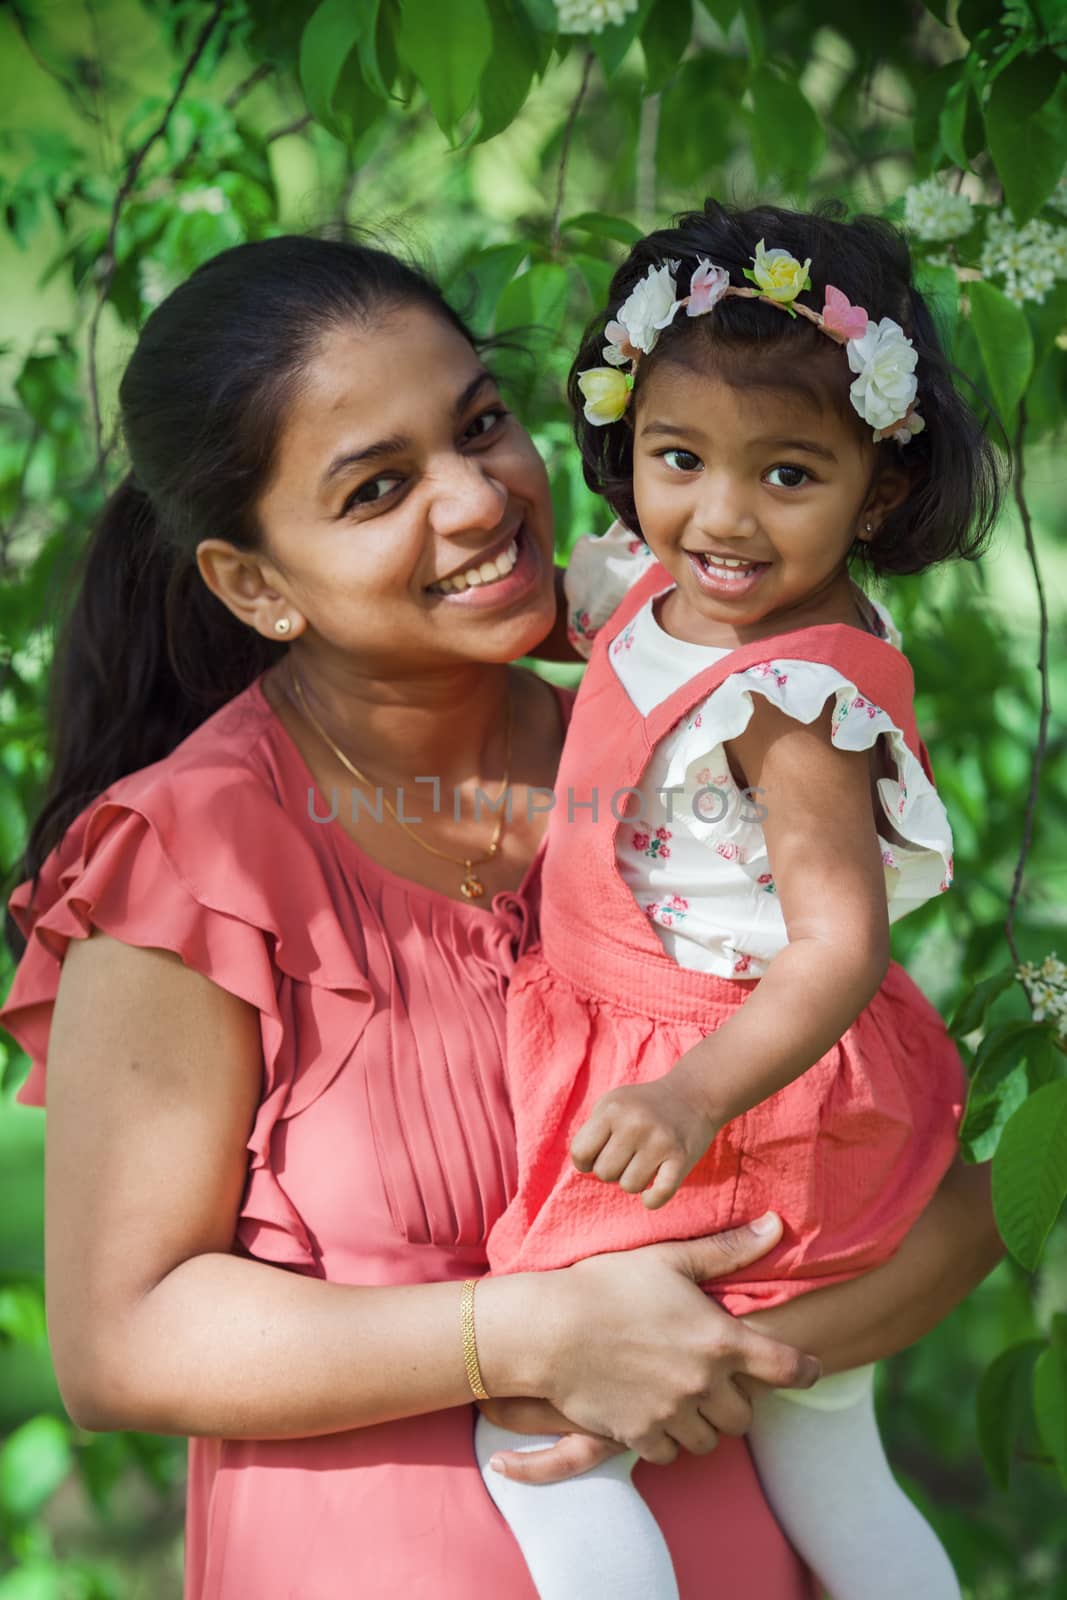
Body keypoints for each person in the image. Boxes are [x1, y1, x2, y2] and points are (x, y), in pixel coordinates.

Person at [0, 233, 1001, 1600]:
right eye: (378, 488)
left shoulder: (686, 735)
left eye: (480, 424)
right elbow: (120, 1346)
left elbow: (929, 1203)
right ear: (256, 584)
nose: (478, 499)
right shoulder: (196, 856)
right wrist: (533, 1338)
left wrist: (718, 1349)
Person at [474, 200, 1004, 1600]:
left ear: (877, 491)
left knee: (539, 1432)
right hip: (692, 1057)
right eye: (677, 458)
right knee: (829, 1455)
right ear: (630, 441)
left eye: (787, 474)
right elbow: (585, 645)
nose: (720, 513)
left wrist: (693, 1097)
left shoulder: (796, 701)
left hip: (729, 1084)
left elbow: (838, 946)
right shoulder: (650, 593)